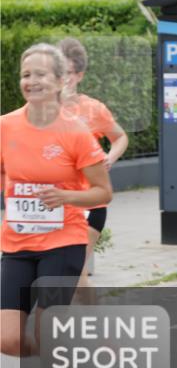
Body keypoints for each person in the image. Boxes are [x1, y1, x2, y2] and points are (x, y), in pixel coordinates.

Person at [1, 43, 113, 368]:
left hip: (63, 241)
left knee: (49, 328)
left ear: (60, 80)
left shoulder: (75, 133)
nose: (30, 81)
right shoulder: (5, 126)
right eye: (25, 74)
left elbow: (103, 192)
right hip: (17, 243)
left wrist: (66, 197)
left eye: (40, 75)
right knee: (8, 339)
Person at [56, 38, 129, 299]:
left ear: (79, 75)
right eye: (57, 71)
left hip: (89, 203)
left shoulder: (93, 109)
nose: (62, 79)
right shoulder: (41, 110)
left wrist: (110, 157)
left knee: (75, 274)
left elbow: (120, 137)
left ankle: (94, 333)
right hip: (55, 204)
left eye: (67, 73)